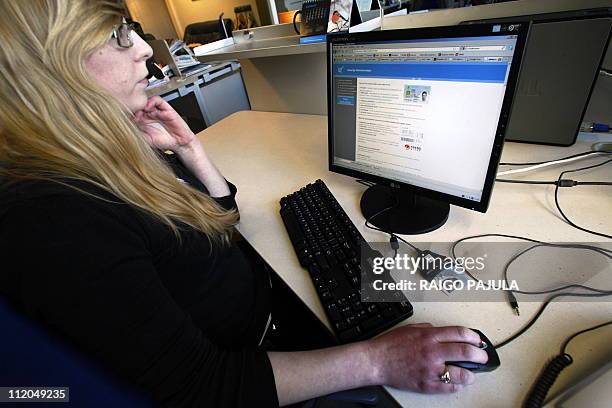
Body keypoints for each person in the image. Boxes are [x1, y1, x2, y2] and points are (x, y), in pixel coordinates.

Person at [0, 1, 488, 407]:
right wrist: (379, 360)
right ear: (49, 68)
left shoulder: (106, 154)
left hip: (264, 310)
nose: (145, 49)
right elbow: (204, 388)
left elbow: (212, 227)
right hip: (256, 363)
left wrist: (191, 153)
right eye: (117, 35)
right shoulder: (54, 220)